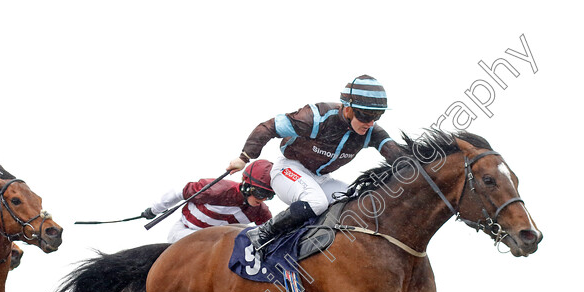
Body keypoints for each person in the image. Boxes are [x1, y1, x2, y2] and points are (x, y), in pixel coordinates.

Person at [226, 75, 404, 253]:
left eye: (377, 116)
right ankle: (263, 233)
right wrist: (244, 157)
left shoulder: (370, 132)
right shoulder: (317, 117)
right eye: (366, 115)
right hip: (288, 169)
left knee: (362, 202)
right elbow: (269, 127)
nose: (371, 123)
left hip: (322, 179)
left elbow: (399, 157)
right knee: (316, 202)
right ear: (348, 108)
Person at [141, 159, 275, 243]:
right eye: (261, 193)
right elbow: (178, 193)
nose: (263, 199)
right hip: (184, 233)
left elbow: (272, 233)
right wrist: (154, 210)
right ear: (246, 185)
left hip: (215, 244)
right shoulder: (215, 190)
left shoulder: (260, 212)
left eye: (269, 195)